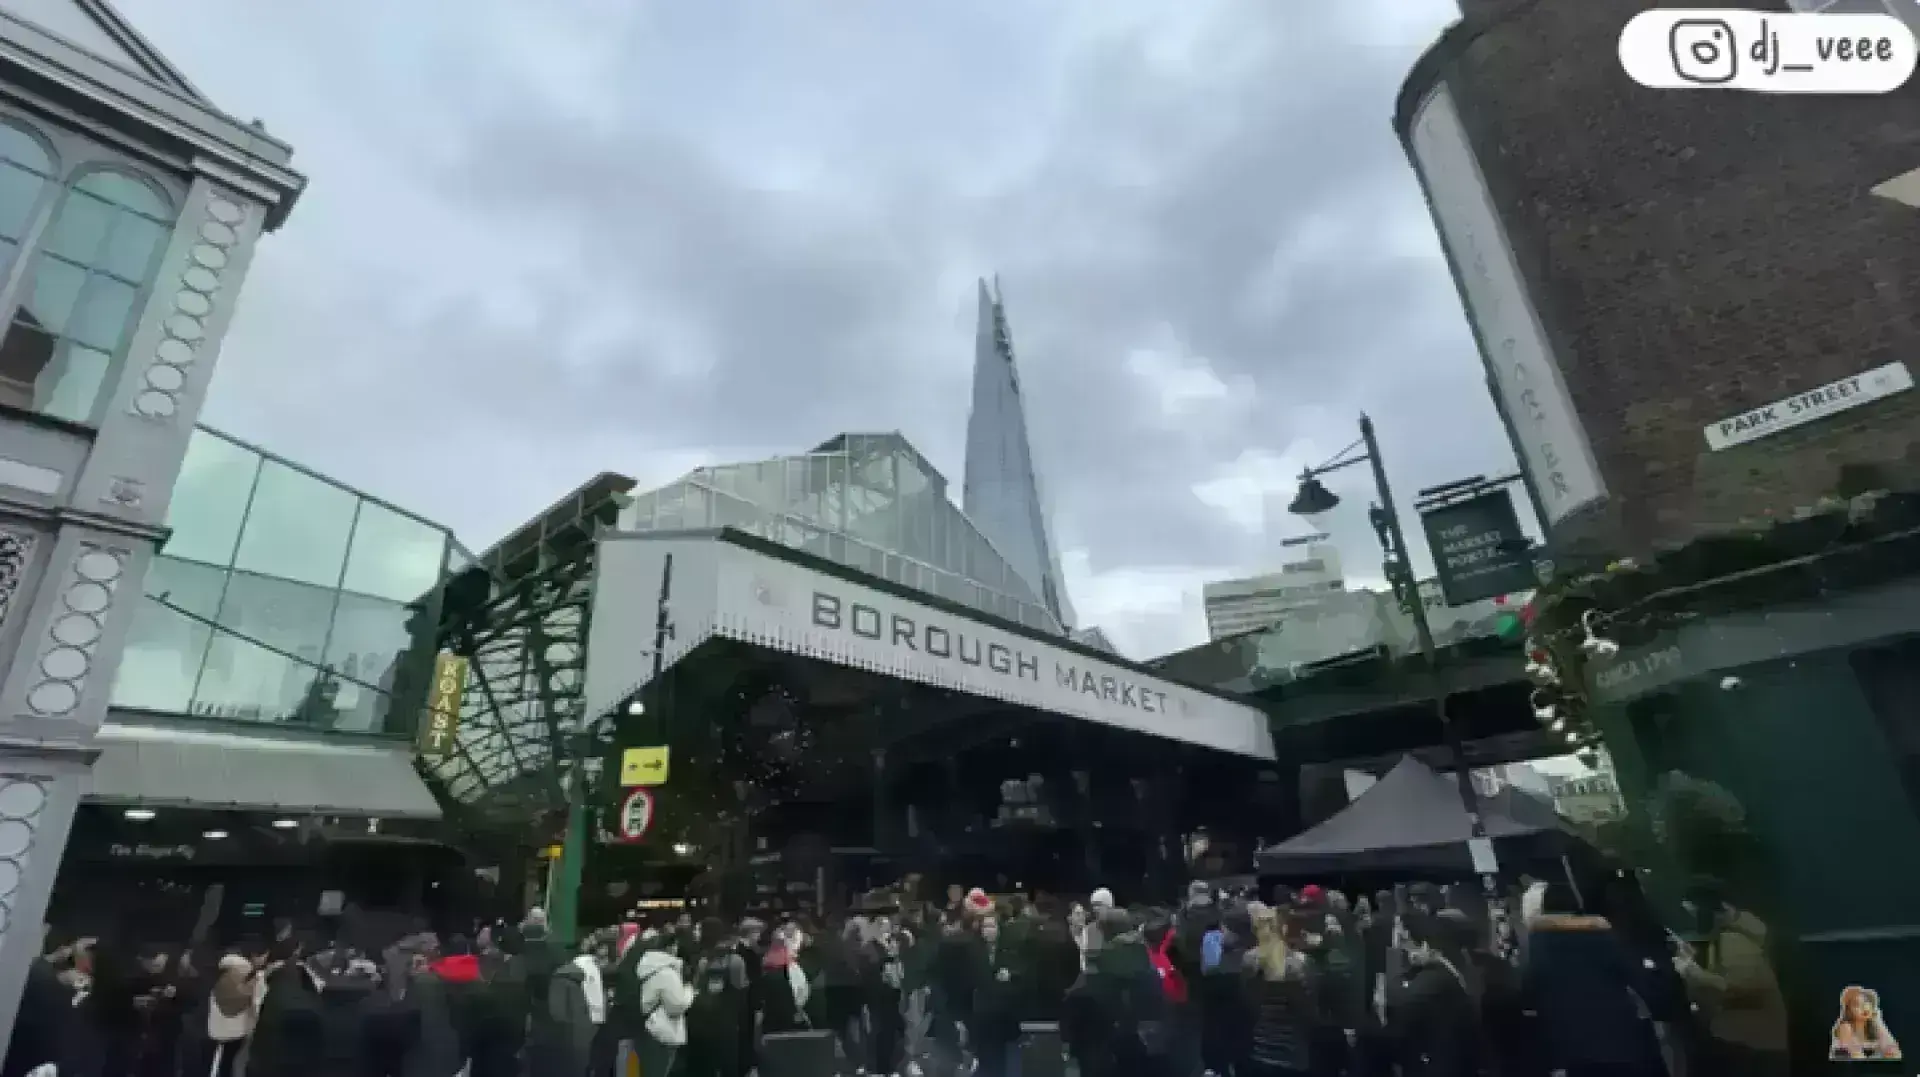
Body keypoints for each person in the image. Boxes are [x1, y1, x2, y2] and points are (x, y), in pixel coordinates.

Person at [1519, 880, 1665, 1077]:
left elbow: (1529, 992)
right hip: (1618, 1037)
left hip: (1570, 1046)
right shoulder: (1601, 934)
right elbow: (1635, 976)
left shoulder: (1535, 944)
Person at [1675, 882, 1789, 1077]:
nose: (1696, 921)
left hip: (1750, 1043)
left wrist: (1692, 972)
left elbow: (1738, 988)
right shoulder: (1732, 937)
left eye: (1697, 914)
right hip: (1749, 1040)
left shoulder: (1735, 940)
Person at [1382, 912, 1480, 1077]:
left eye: (1407, 943)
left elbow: (1403, 1022)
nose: (1407, 953)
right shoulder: (1461, 969)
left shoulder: (1432, 981)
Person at [1242, 903, 1316, 1077]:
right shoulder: (1301, 963)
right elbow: (1310, 1010)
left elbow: (1248, 1002)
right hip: (1292, 1055)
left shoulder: (1249, 960)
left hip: (1259, 1051)